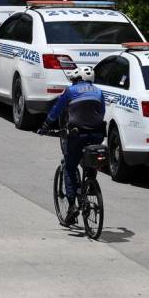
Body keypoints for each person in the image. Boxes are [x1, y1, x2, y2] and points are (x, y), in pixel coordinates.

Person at [38, 66, 105, 225]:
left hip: (77, 134)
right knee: (90, 162)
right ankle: (89, 186)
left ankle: (72, 206)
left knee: (69, 166)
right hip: (97, 134)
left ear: (76, 79)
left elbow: (56, 110)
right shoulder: (99, 92)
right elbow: (101, 112)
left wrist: (46, 125)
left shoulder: (70, 91)